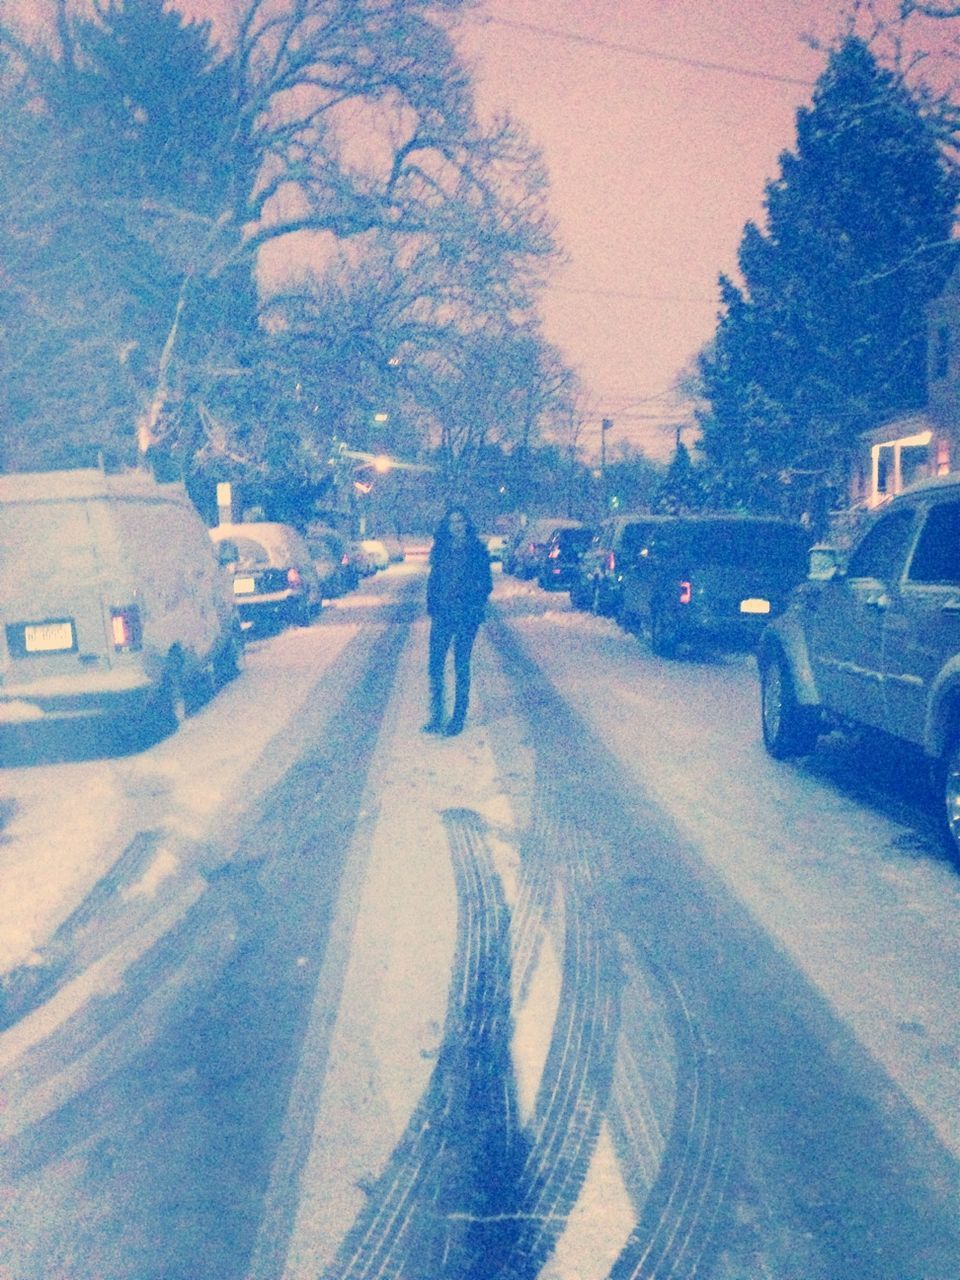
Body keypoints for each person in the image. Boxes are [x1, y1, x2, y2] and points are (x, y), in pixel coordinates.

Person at [423, 505, 493, 736]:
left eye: (461, 521)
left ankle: (458, 717)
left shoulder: (477, 551)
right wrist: (432, 604)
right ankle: (437, 715)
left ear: (467, 524)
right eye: (453, 522)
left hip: (465, 616)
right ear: (448, 525)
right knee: (435, 666)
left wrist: (472, 601)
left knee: (461, 665)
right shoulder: (441, 550)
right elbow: (434, 580)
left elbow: (486, 584)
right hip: (442, 614)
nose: (457, 526)